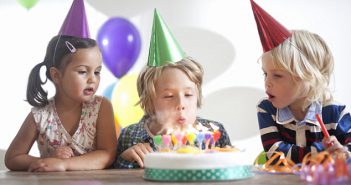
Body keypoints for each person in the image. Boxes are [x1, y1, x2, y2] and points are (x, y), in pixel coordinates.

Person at [5, 0, 116, 172]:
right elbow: (12, 158)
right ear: (56, 75)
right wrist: (46, 161)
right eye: (82, 71)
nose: (92, 79)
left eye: (97, 72)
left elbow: (107, 155)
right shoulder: (40, 115)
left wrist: (64, 164)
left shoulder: (101, 108)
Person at [112, 10, 232, 169]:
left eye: (188, 94)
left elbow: (231, 169)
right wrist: (125, 158)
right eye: (169, 96)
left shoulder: (214, 134)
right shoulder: (131, 136)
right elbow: (116, 177)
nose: (181, 104)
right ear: (149, 101)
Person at [251, 0, 351, 163]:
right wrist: (322, 151)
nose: (267, 83)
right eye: (265, 74)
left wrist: (343, 153)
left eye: (277, 75)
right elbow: (275, 155)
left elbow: (347, 153)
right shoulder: (266, 109)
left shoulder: (335, 114)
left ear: (309, 76)